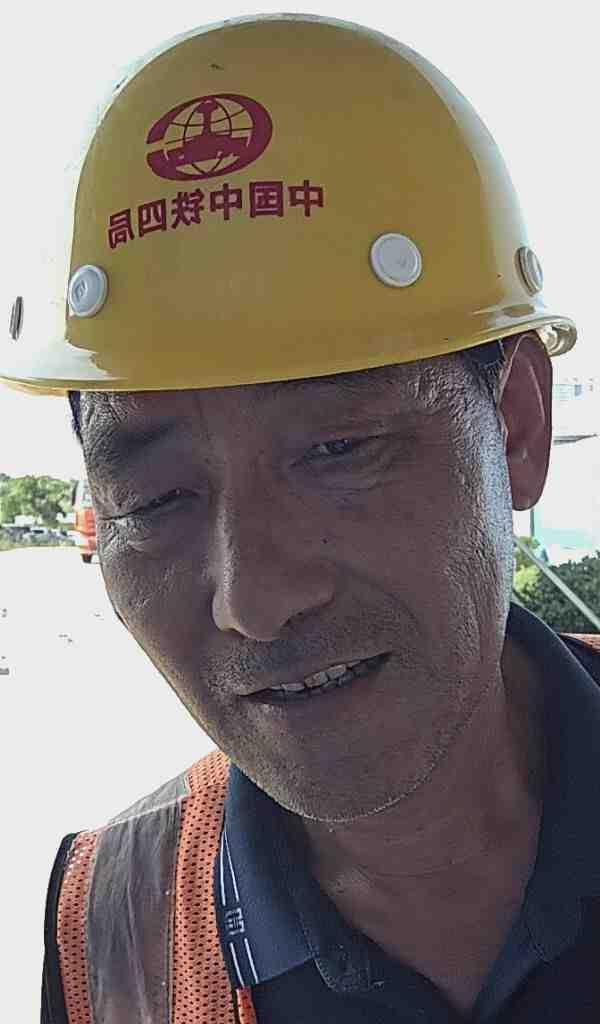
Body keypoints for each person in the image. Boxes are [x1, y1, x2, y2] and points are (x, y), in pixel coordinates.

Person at [3, 15, 599, 1023]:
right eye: (154, 499)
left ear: (515, 427)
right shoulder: (110, 932)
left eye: (339, 449)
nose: (256, 600)